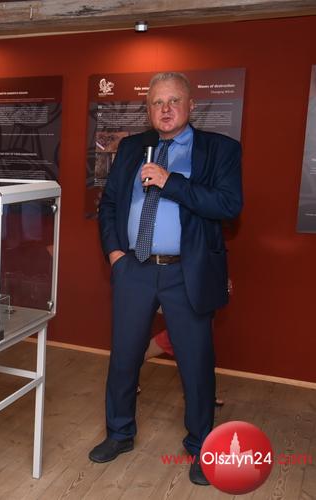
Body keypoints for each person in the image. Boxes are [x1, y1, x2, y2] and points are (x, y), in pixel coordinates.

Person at [91, 71, 242, 486]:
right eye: (157, 102)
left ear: (191, 105)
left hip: (186, 271)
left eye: (174, 101)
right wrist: (116, 255)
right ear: (148, 109)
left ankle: (202, 446)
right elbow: (109, 205)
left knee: (196, 363)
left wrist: (170, 181)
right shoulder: (132, 148)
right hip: (134, 268)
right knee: (124, 357)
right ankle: (119, 433)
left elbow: (228, 205)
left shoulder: (219, 150)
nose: (166, 109)